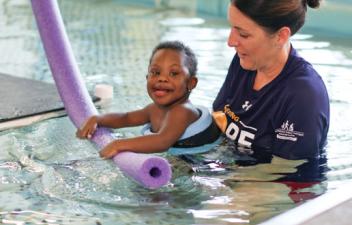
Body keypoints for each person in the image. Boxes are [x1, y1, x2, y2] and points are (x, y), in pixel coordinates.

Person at [212, 0, 330, 161]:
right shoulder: (245, 61)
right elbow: (217, 121)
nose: (230, 41)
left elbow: (290, 177)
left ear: (281, 36)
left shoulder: (303, 95)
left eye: (243, 34)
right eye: (232, 28)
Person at [77, 41, 218, 159]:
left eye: (174, 73)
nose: (162, 78)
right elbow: (126, 118)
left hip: (198, 161)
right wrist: (98, 119)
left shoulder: (183, 111)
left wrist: (118, 144)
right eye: (155, 72)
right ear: (147, 78)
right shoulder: (153, 110)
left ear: (191, 83)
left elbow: (162, 141)